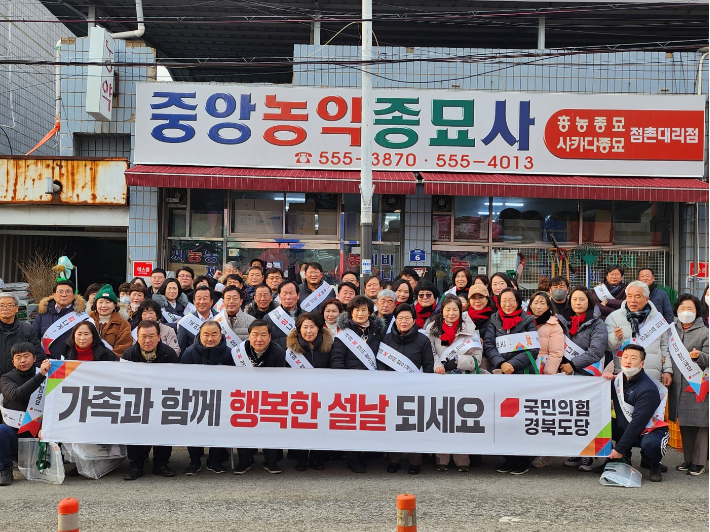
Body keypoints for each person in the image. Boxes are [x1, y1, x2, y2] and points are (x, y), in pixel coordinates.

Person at [484, 287, 539, 475]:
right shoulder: (494, 319)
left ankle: (522, 460)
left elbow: (532, 349)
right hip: (500, 374)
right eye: (504, 300)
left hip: (522, 374)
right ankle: (508, 457)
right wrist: (500, 363)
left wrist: (512, 365)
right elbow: (489, 345)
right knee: (502, 417)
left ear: (518, 302)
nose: (507, 304)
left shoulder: (528, 321)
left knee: (521, 418)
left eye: (511, 300)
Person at [426, 294, 482, 473]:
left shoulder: (471, 329)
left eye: (455, 310)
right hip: (440, 378)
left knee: (461, 420)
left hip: (463, 379)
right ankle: (442, 457)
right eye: (447, 309)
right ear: (442, 310)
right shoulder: (432, 328)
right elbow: (431, 352)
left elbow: (477, 359)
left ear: (461, 310)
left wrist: (457, 361)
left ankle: (461, 458)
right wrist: (438, 366)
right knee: (441, 418)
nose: (451, 313)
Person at [331, 296, 386, 473]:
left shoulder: (379, 332)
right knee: (352, 422)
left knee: (369, 420)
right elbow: (337, 360)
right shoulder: (344, 335)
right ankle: (353, 457)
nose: (360, 313)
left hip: (374, 384)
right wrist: (344, 382)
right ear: (350, 312)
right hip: (351, 386)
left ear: (370, 312)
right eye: (357, 310)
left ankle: (368, 452)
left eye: (364, 310)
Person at [555, 286, 608, 471]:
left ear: (589, 302)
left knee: (587, 417)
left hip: (587, 375)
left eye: (582, 299)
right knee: (570, 417)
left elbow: (596, 351)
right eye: (575, 299)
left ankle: (588, 456)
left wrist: (573, 364)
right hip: (565, 375)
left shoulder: (598, 324)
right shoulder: (562, 321)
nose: (578, 303)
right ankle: (575, 452)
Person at [379, 304, 434, 474]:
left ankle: (415, 462)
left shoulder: (423, 340)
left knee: (414, 426)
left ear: (414, 320)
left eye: (407, 318)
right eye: (400, 318)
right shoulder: (386, 339)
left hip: (415, 391)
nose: (403, 322)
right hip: (392, 390)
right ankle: (394, 460)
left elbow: (428, 365)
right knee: (394, 426)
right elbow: (381, 365)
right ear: (395, 320)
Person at [602, 343, 669, 482]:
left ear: (642, 363)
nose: (628, 361)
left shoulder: (647, 388)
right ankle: (624, 458)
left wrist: (618, 449)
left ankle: (654, 463)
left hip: (648, 430)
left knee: (651, 443)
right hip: (626, 426)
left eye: (633, 358)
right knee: (600, 423)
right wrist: (604, 381)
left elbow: (638, 423)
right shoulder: (618, 380)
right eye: (625, 357)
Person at [122, 320, 180, 480]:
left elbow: (177, 380)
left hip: (163, 400)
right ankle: (136, 465)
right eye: (143, 336)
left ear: (159, 337)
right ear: (137, 337)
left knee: (163, 430)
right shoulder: (129, 354)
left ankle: (161, 464)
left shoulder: (169, 354)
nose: (148, 340)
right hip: (137, 401)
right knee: (135, 431)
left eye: (152, 336)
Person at [233, 320, 287, 475]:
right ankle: (244, 460)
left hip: (270, 397)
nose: (259, 339)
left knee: (271, 426)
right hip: (245, 397)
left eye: (263, 335)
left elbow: (280, 378)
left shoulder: (278, 352)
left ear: (270, 337)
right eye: (255, 335)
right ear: (249, 336)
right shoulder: (239, 352)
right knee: (243, 426)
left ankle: (270, 461)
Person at [181, 320, 235, 475]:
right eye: (206, 334)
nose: (210, 338)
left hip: (221, 400)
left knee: (218, 429)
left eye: (214, 334)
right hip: (195, 399)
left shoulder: (228, 353)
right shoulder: (189, 353)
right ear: (200, 335)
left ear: (220, 336)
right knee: (193, 430)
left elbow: (234, 379)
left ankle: (214, 461)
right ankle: (194, 462)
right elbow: (182, 378)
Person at [285, 314, 333, 471]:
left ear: (319, 328)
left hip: (323, 394)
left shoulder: (329, 347)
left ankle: (316, 458)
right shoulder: (291, 350)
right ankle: (301, 458)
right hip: (300, 396)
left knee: (320, 427)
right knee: (301, 427)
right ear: (299, 330)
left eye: (312, 327)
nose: (309, 331)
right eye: (305, 327)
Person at [0, 343, 52, 486]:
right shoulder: (6, 378)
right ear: (13, 362)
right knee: (0, 430)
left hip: (40, 432)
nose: (22, 360)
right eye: (18, 357)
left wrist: (46, 427)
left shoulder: (48, 375)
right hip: (15, 433)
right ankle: (5, 468)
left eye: (26, 356)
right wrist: (40, 375)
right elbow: (16, 395)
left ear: (34, 358)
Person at [668, 294, 708, 476]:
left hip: (698, 384)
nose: (686, 312)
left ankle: (699, 463)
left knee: (700, 424)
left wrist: (699, 356)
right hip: (678, 384)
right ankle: (689, 459)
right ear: (676, 310)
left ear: (697, 311)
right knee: (684, 423)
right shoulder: (671, 331)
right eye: (682, 308)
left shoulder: (705, 332)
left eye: (690, 309)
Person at [606, 281, 672, 386]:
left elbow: (664, 346)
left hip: (652, 374)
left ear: (646, 299)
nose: (633, 300)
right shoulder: (613, 317)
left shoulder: (658, 319)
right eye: (629, 296)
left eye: (637, 296)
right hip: (625, 375)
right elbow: (608, 347)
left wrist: (667, 370)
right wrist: (615, 338)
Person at [32, 280, 86, 359]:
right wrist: (42, 359)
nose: (64, 295)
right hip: (47, 363)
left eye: (68, 292)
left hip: (72, 364)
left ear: (74, 295)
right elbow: (33, 339)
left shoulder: (81, 316)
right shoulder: (42, 315)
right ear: (54, 295)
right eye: (60, 292)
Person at [0, 293, 43, 382]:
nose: (5, 308)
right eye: (2, 305)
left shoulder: (27, 329)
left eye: (9, 305)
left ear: (16, 308)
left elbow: (37, 355)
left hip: (20, 381)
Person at [88, 284, 132, 356]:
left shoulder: (123, 324)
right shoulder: (87, 321)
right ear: (95, 304)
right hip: (89, 363)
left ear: (114, 305)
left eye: (108, 302)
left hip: (112, 364)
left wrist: (106, 357)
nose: (104, 305)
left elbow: (123, 347)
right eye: (100, 302)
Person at [528, 291, 565, 375]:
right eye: (535, 303)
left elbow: (556, 353)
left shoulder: (554, 326)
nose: (538, 307)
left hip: (543, 372)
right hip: (526, 371)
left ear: (548, 306)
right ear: (530, 305)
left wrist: (547, 374)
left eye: (542, 303)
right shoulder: (523, 322)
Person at [177, 286, 216, 354]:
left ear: (211, 301)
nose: (201, 302)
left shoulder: (219, 318)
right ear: (194, 301)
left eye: (205, 298)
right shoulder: (186, 321)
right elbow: (181, 348)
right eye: (199, 298)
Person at [264, 280, 302, 350]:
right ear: (279, 296)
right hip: (279, 358)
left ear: (298, 295)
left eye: (291, 293)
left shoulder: (307, 316)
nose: (288, 297)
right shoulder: (269, 318)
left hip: (302, 358)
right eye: (285, 294)